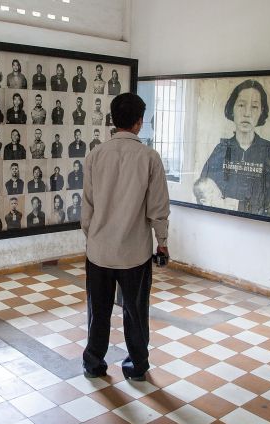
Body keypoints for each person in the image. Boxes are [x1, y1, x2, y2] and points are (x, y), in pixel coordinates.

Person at [81, 92, 170, 381]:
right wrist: (162, 242)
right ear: (139, 122)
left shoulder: (95, 155)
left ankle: (94, 364)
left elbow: (88, 205)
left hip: (99, 252)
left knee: (98, 311)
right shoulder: (149, 158)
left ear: (112, 120)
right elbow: (158, 207)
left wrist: (92, 236)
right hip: (134, 253)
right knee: (135, 312)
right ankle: (136, 367)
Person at [197, 79, 270, 218]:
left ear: (261, 111)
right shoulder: (221, 149)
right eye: (241, 105)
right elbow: (202, 192)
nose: (247, 113)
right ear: (232, 108)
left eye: (254, 107)